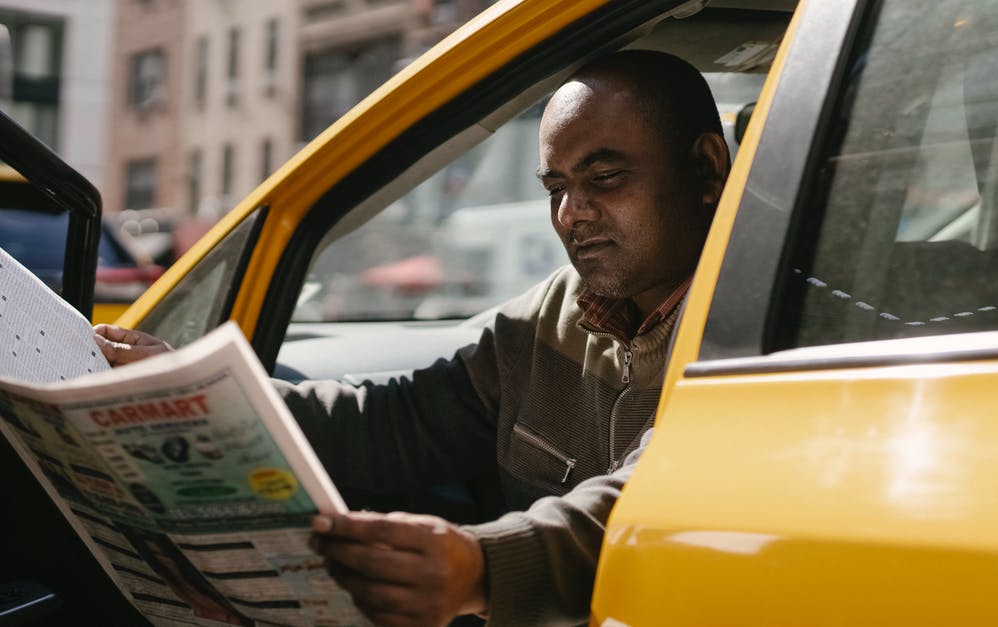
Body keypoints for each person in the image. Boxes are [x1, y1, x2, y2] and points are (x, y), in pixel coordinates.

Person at [95, 49, 731, 627]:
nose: (573, 214)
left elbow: (656, 499)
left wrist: (479, 568)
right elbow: (396, 422)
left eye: (605, 177)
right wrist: (203, 395)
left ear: (706, 168)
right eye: (556, 188)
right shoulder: (550, 315)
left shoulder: (759, 326)